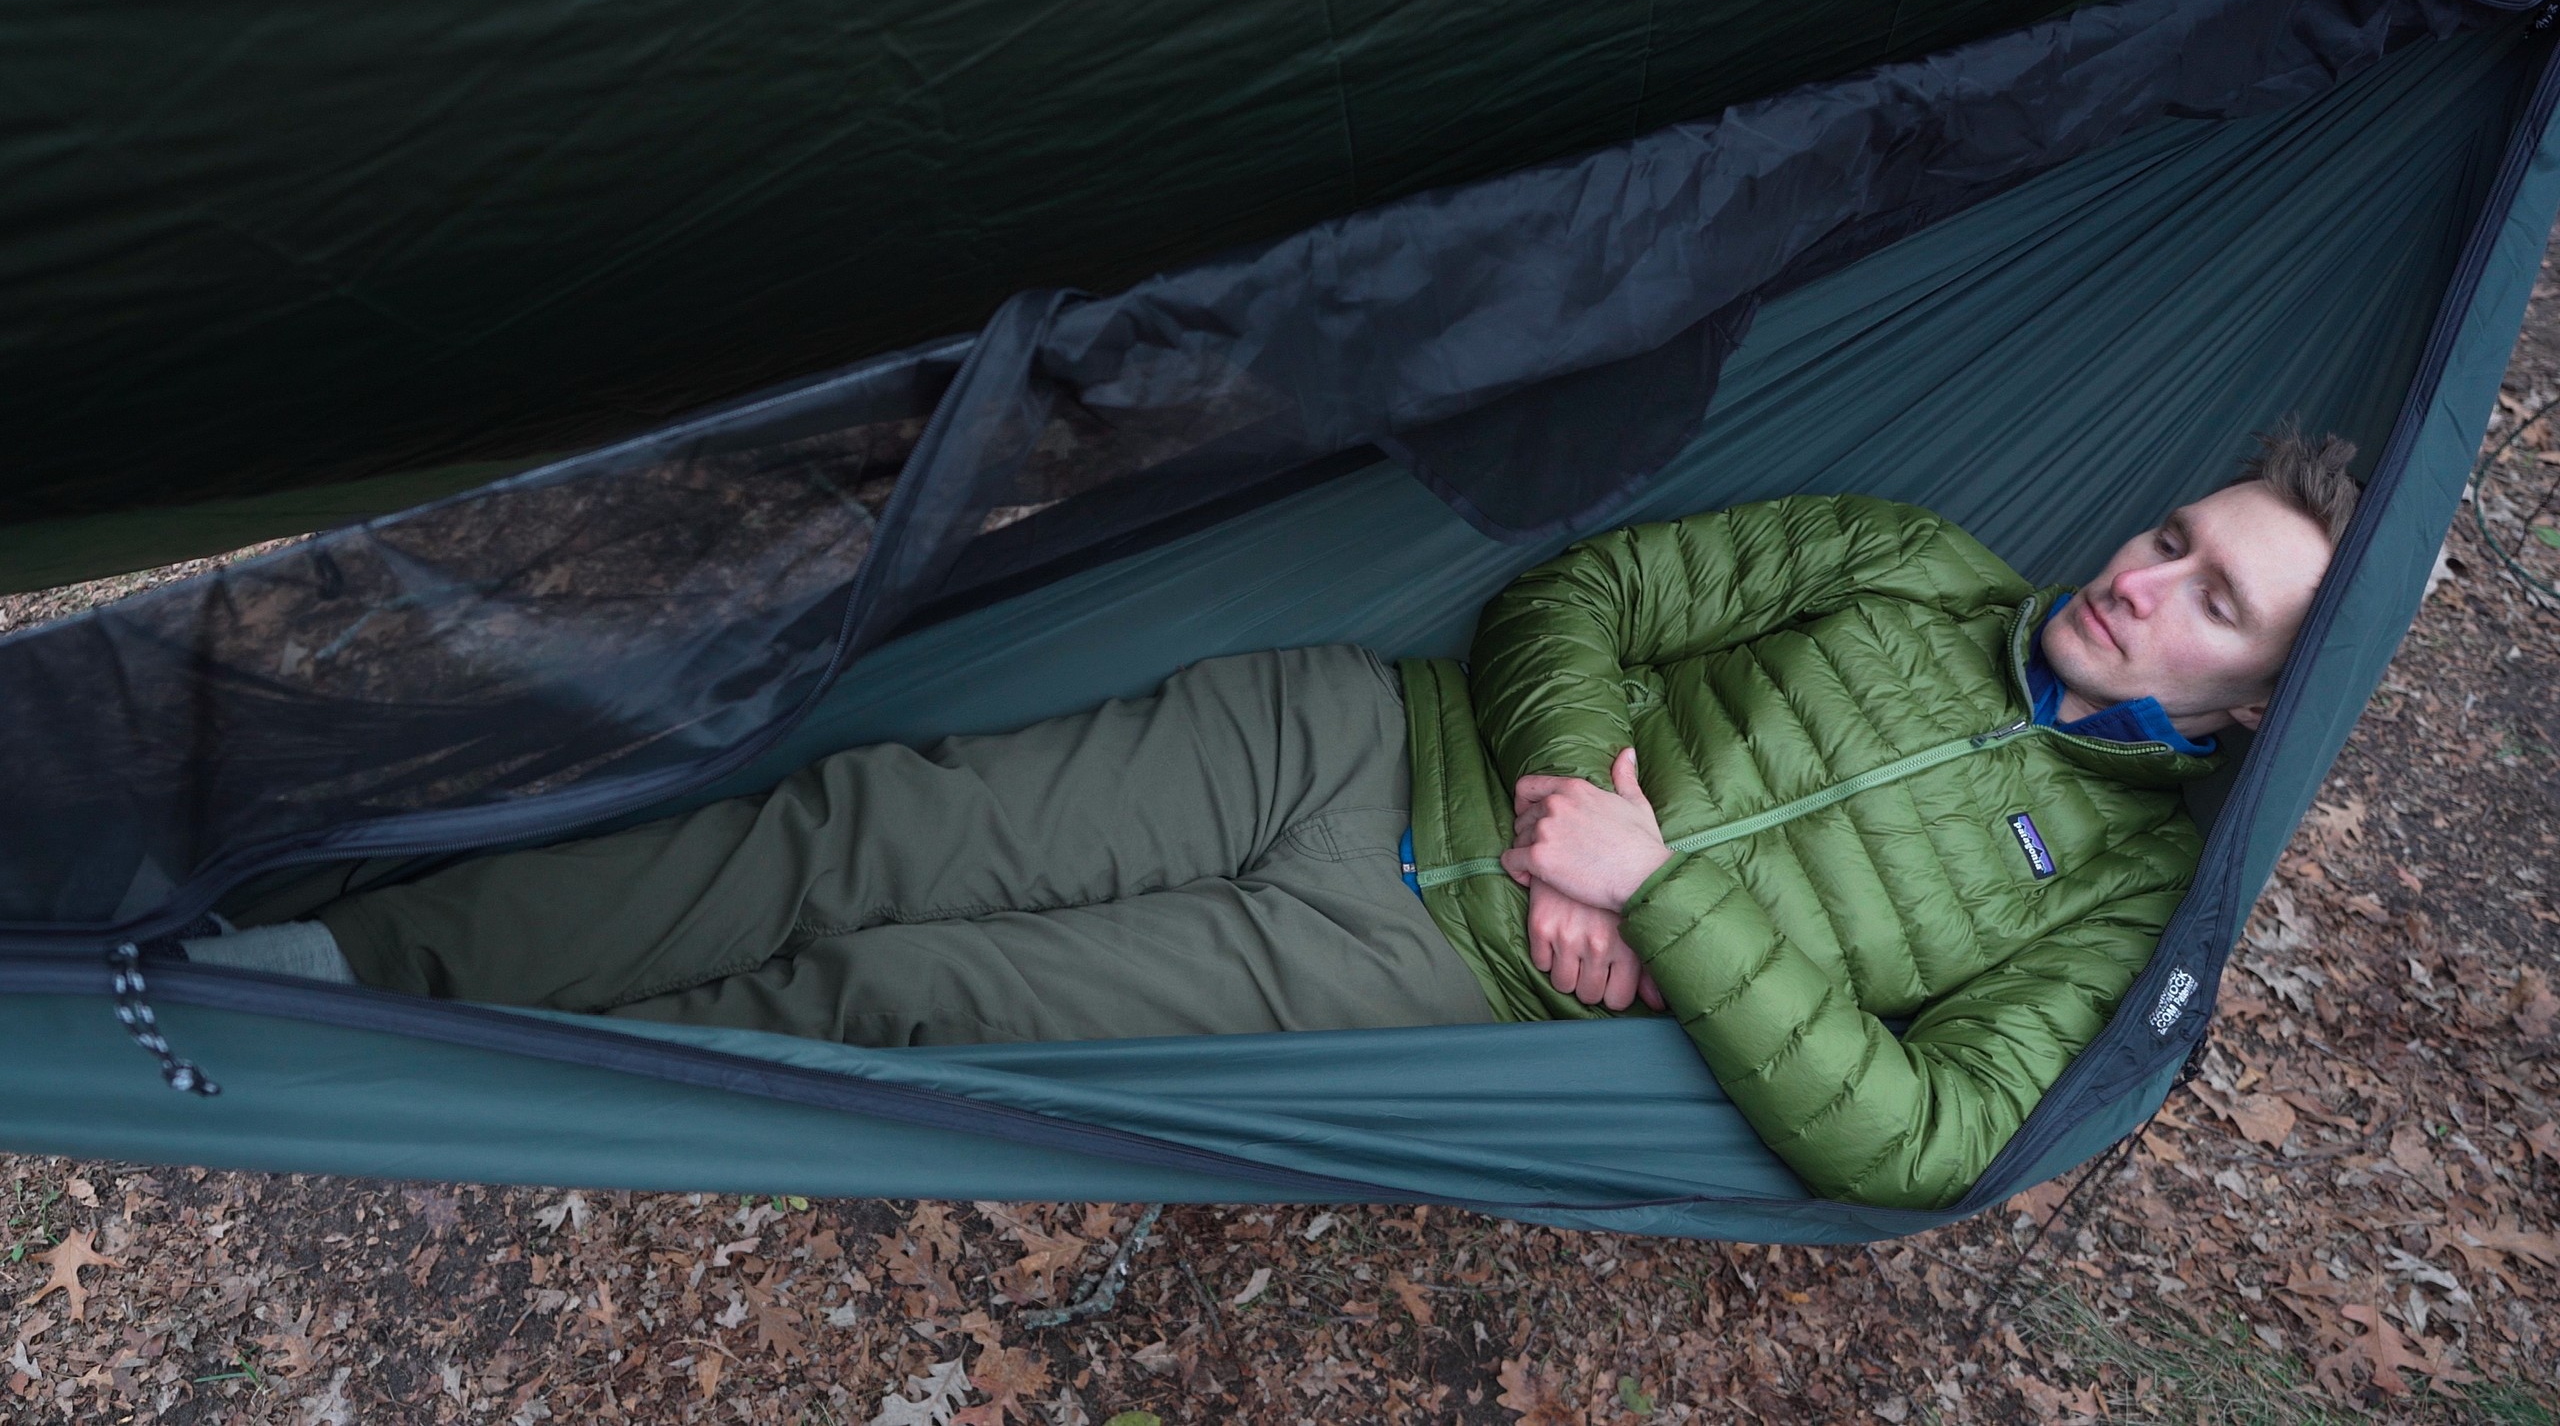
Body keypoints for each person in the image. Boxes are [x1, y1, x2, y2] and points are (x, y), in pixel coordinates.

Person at [185, 426, 2358, 1207]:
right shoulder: (1912, 559)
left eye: (2211, 598)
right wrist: (1565, 782)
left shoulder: (2118, 906)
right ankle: (349, 969)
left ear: (2255, 694)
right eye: (2171, 532)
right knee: (853, 830)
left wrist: (1662, 903)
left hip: (1413, 966)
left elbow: (1924, 1137)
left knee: (897, 987)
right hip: (1345, 738)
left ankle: (447, 1070)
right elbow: (1582, 590)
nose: (2142, 578)